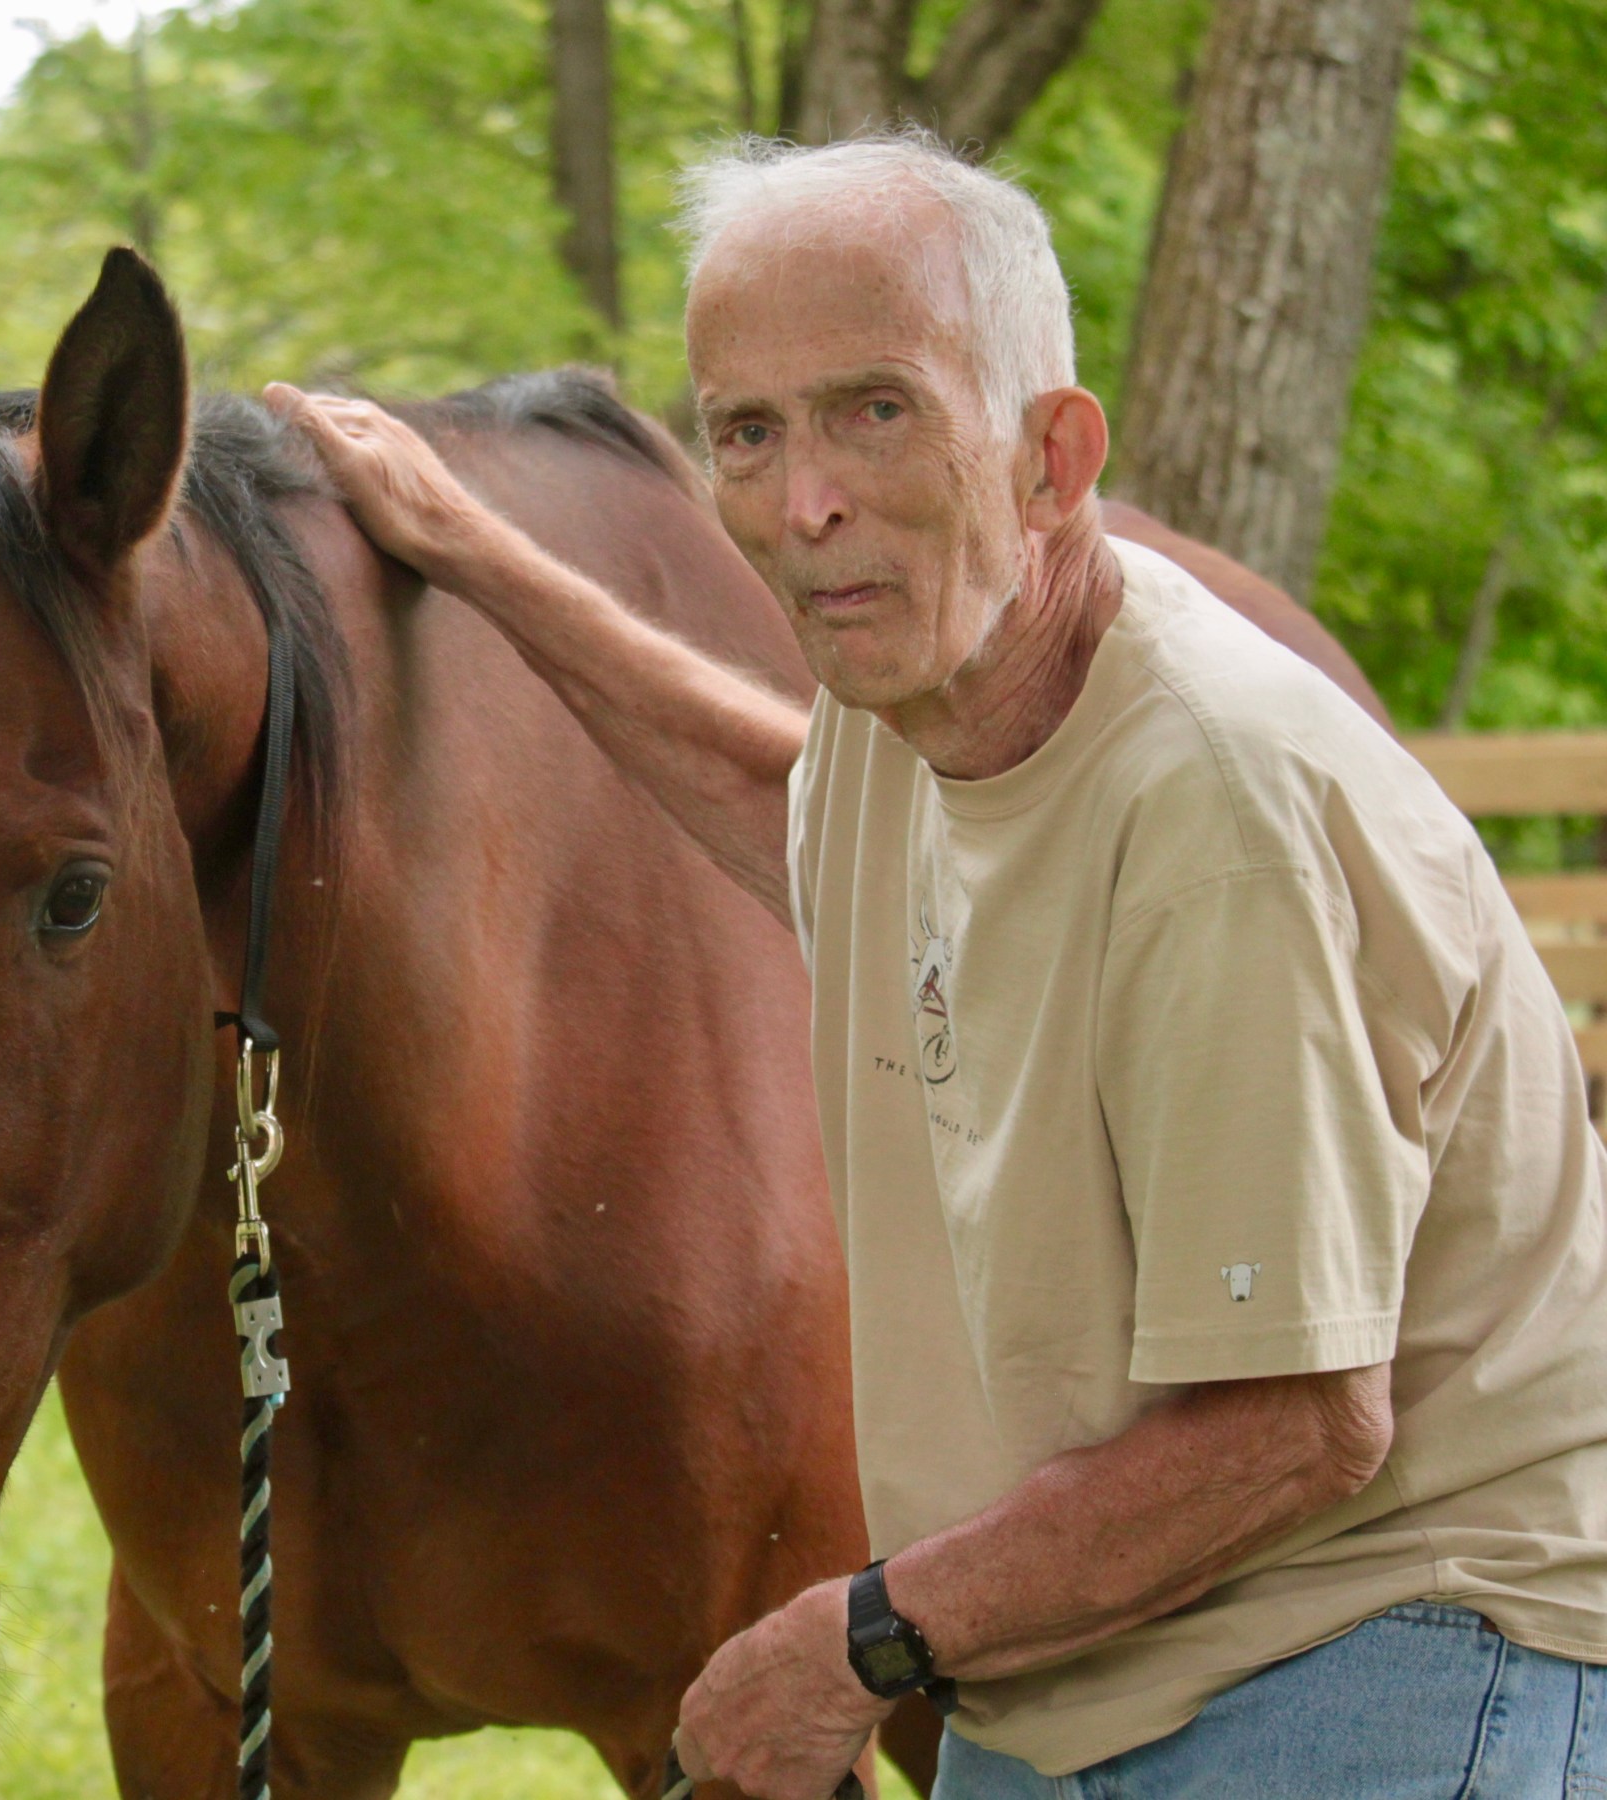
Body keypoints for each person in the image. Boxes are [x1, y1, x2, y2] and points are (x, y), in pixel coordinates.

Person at [265, 131, 1607, 1798]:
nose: (803, 504)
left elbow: (1295, 1425)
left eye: (877, 411)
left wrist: (855, 1641)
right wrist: (475, 556)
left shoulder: (1217, 809)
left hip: (1400, 1632)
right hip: (1085, 1647)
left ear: (1053, 455)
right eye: (748, 433)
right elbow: (783, 802)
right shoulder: (913, 707)